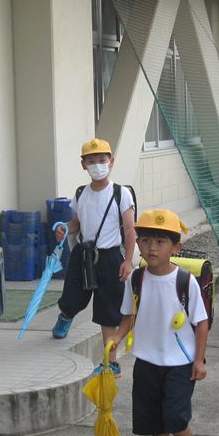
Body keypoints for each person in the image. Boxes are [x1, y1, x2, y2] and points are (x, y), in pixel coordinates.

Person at [112, 209, 208, 436]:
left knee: (175, 418)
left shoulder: (185, 281)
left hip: (180, 363)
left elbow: (201, 322)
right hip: (146, 362)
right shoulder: (136, 279)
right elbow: (128, 315)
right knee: (155, 422)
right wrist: (117, 338)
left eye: (160, 241)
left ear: (175, 247)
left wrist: (199, 360)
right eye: (146, 240)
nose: (151, 248)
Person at [53, 138, 137, 346]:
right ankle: (66, 316)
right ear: (83, 165)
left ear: (111, 161)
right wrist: (64, 228)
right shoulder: (81, 193)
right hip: (83, 254)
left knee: (108, 308)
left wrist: (128, 260)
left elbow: (130, 229)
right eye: (91, 161)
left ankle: (110, 357)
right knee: (73, 295)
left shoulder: (121, 193)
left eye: (102, 160)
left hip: (110, 258)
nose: (97, 165)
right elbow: (76, 223)